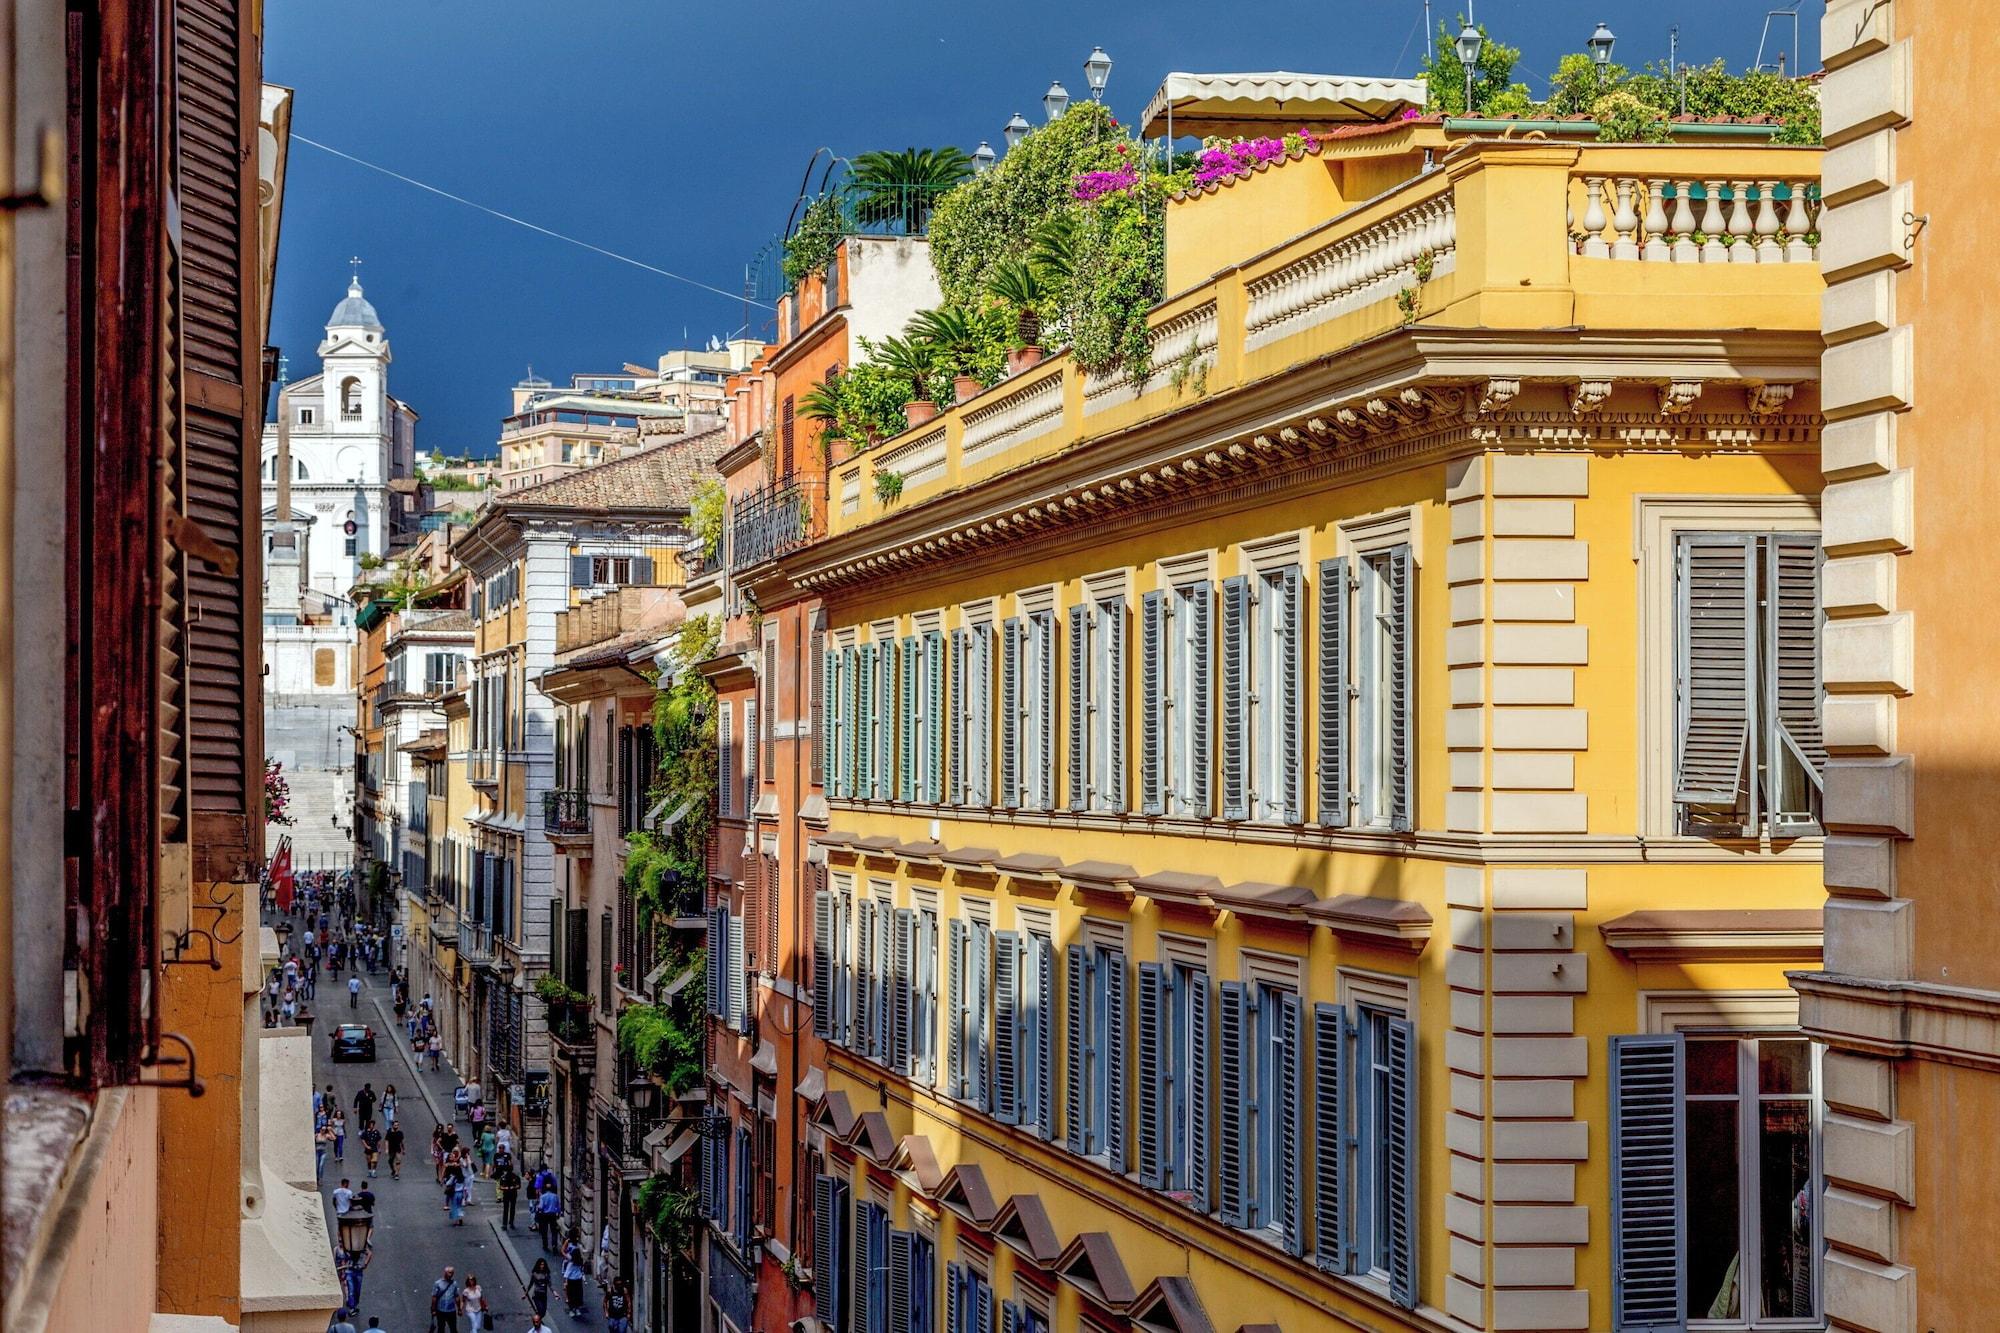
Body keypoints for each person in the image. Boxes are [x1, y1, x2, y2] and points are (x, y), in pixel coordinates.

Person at [429, 1265, 460, 1333]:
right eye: (449, 1272)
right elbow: (434, 1297)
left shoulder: (454, 1283)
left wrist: (459, 1308)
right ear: (445, 1273)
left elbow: (457, 1296)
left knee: (453, 1328)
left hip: (451, 1310)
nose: (451, 1274)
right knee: (441, 1328)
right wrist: (433, 1309)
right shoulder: (438, 1283)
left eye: (452, 1272)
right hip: (440, 1310)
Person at [534, 1182, 561, 1252]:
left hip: (544, 1215)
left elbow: (541, 1207)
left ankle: (545, 1245)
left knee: (544, 1231)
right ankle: (554, 1245)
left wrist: (538, 1209)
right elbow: (558, 1207)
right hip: (553, 1215)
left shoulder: (543, 1197)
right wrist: (558, 1214)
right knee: (554, 1231)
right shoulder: (555, 1196)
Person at [561, 1246, 587, 1319]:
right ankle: (572, 1309)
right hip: (572, 1281)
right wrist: (565, 1282)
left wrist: (583, 1279)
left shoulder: (579, 1263)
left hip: (577, 1280)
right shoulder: (571, 1264)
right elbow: (567, 1274)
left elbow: (581, 1271)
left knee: (578, 1295)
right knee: (572, 1296)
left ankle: (577, 1308)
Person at [495, 1161, 522, 1229]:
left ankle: (505, 1224)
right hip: (513, 1194)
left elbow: (500, 1187)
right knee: (512, 1209)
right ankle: (511, 1223)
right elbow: (519, 1186)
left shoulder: (504, 1177)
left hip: (506, 1194)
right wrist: (512, 1187)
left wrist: (506, 1188)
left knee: (506, 1209)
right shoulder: (516, 1177)